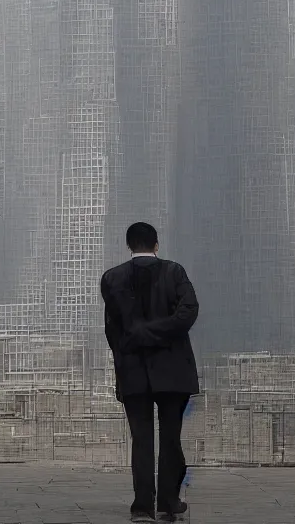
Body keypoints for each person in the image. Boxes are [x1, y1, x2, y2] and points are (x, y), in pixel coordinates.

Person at [101, 222, 200, 523]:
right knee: (171, 438)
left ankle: (142, 506)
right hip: (172, 371)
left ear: (129, 246)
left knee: (141, 440)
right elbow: (189, 312)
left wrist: (139, 336)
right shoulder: (175, 272)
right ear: (156, 245)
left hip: (133, 371)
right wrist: (159, 331)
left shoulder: (111, 279)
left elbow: (112, 330)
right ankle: (168, 504)